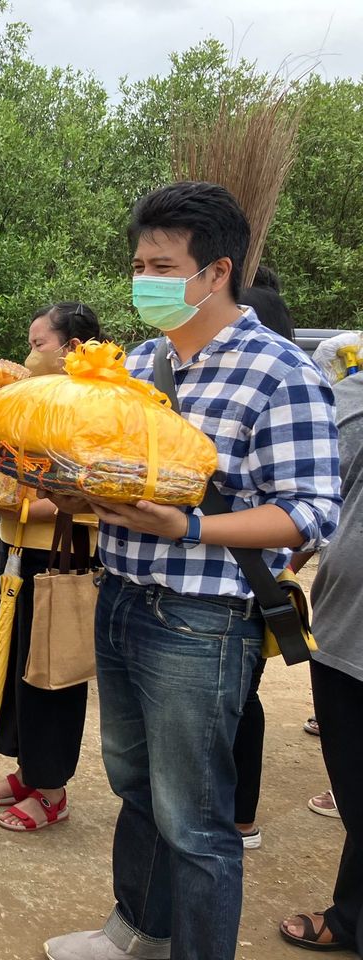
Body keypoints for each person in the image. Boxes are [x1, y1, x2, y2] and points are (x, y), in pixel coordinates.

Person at [43, 181, 341, 960]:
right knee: (135, 787)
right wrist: (77, 491)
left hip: (201, 620)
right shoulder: (137, 364)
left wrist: (193, 526)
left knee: (197, 821)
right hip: (121, 594)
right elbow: (116, 470)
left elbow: (312, 512)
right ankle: (138, 932)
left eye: (162, 267)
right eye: (138, 265)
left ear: (217, 272)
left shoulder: (280, 372)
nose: (144, 281)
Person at [0, 302, 103, 833]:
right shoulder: (36, 399)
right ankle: (28, 770)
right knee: (12, 665)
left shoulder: (94, 407)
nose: (30, 354)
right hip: (16, 549)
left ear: (74, 348)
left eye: (39, 343)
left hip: (62, 555)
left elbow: (93, 491)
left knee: (51, 672)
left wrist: (20, 506)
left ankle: (52, 789)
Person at [278, 370, 363, 953]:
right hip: (352, 634)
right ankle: (352, 913)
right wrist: (279, 568)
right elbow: (319, 499)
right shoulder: (354, 397)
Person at [229, 281, 299, 849]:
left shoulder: (282, 382)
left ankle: (240, 817)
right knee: (241, 701)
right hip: (262, 577)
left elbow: (306, 512)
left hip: (249, 586)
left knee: (241, 701)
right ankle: (238, 815)